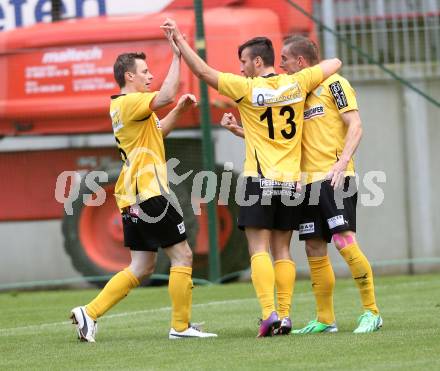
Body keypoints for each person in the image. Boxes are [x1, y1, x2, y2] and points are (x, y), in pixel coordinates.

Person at [161, 18, 342, 337]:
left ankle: (268, 314)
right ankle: (285, 316)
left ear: (257, 62)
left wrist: (180, 41)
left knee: (258, 249)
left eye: (243, 62)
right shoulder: (297, 83)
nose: (241, 68)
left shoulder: (247, 89)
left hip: (259, 181)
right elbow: (335, 62)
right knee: (283, 251)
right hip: (291, 183)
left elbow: (203, 72)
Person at [223, 35, 382, 334]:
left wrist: (341, 161)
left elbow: (356, 125)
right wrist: (240, 131)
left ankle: (371, 311)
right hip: (305, 184)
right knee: (313, 247)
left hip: (335, 177)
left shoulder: (335, 84)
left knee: (345, 242)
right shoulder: (294, 92)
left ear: (301, 61)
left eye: (284, 58)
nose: (279, 63)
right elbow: (283, 137)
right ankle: (325, 319)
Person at [70, 34, 217, 342]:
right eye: (146, 71)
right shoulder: (131, 102)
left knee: (141, 266)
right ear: (129, 76)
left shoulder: (130, 108)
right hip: (149, 193)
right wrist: (177, 57)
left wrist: (180, 109)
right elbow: (165, 96)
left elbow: (158, 130)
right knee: (183, 256)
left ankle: (90, 313)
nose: (151, 76)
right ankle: (180, 327)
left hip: (132, 195)